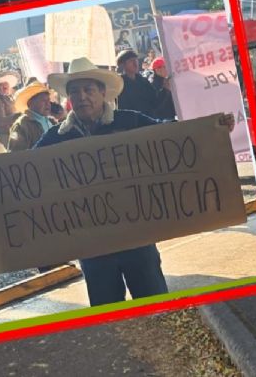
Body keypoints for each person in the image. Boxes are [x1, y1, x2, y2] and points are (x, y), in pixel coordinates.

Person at [35, 57, 169, 306]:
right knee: (109, 312)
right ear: (68, 98)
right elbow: (21, 170)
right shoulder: (54, 138)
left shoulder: (129, 121)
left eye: (89, 90)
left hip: (137, 238)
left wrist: (210, 129)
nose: (82, 96)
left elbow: (168, 133)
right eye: (75, 91)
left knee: (156, 307)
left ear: (103, 93)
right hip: (93, 248)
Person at [7, 82, 53, 152]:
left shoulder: (50, 120)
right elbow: (15, 155)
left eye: (48, 100)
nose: (48, 104)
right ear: (30, 103)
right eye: (43, 100)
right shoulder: (21, 125)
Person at [115, 50, 156, 117]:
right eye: (131, 61)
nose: (135, 63)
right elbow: (122, 108)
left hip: (149, 120)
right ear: (123, 65)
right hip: (133, 123)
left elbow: (155, 100)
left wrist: (164, 90)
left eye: (136, 60)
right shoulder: (119, 84)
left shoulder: (143, 81)